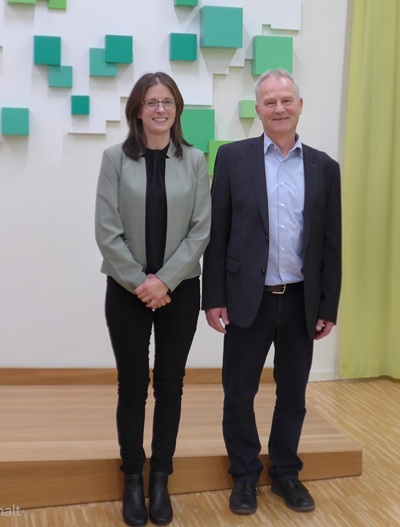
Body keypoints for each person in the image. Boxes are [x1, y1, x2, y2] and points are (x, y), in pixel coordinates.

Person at [202, 69, 341, 515]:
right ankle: (244, 476)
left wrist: (328, 304)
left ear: (300, 106)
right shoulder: (232, 159)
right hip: (249, 298)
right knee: (238, 393)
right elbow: (217, 233)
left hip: (301, 300)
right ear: (258, 109)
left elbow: (331, 242)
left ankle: (285, 473)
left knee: (293, 393)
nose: (279, 108)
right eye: (269, 102)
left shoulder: (325, 167)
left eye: (286, 100)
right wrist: (213, 296)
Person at [95, 71, 211, 527]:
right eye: (151, 102)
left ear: (176, 109)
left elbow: (200, 230)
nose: (160, 109)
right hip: (126, 292)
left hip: (179, 291)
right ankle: (131, 477)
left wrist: (164, 281)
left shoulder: (196, 161)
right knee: (131, 385)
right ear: (137, 111)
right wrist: (141, 282)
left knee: (170, 385)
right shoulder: (114, 159)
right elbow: (107, 231)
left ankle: (160, 477)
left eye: (167, 101)